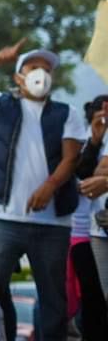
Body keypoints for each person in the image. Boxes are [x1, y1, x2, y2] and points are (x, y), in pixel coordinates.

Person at [0, 42, 87, 341]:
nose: (41, 73)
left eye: (47, 68)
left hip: (53, 223)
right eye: (33, 68)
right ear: (18, 77)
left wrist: (49, 186)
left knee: (54, 300)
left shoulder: (68, 113)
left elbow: (71, 158)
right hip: (5, 218)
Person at [73, 94, 108, 339]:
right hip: (99, 228)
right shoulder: (98, 139)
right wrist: (95, 140)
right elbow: (86, 175)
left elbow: (102, 175)